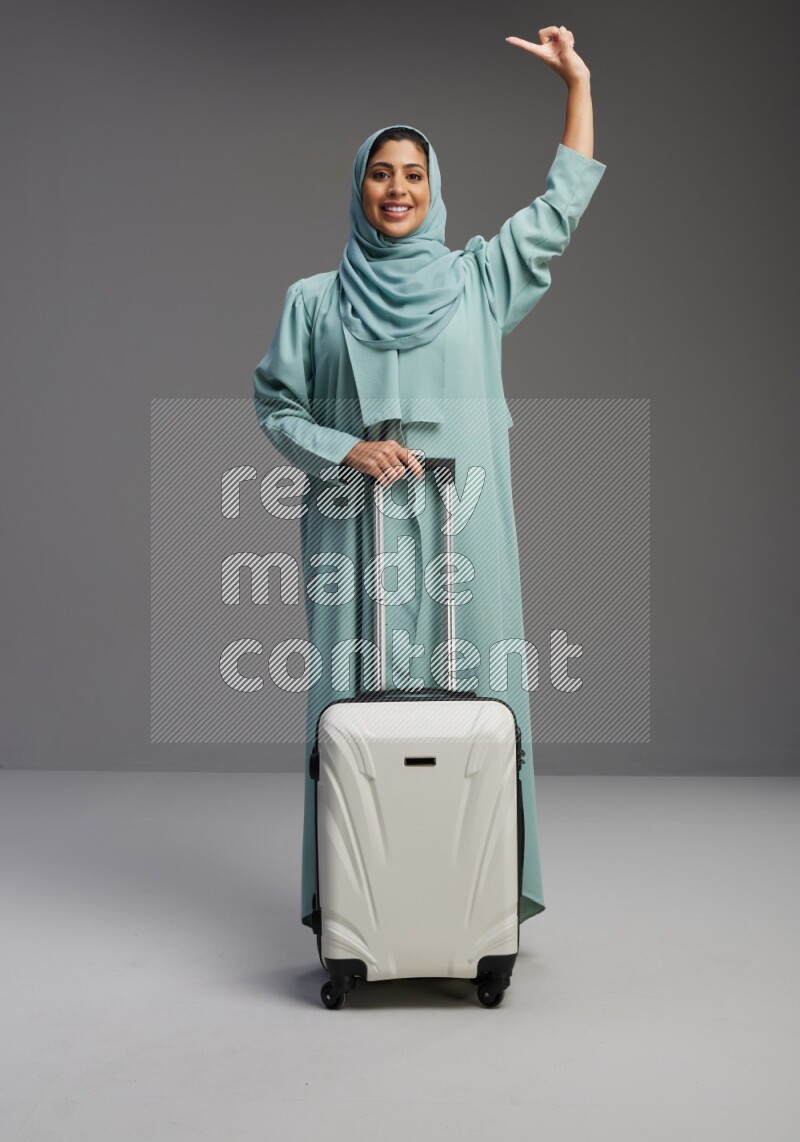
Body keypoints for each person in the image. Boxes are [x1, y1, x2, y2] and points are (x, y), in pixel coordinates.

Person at [253, 25, 606, 932]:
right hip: (352, 536)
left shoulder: (479, 280)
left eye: (413, 174)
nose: (398, 189)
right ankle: (359, 916)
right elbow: (276, 410)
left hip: (465, 536)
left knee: (481, 708)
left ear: (434, 187)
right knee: (350, 720)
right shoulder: (312, 301)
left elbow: (559, 210)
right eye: (381, 173)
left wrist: (577, 84)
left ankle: (476, 909)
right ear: (359, 188)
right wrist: (345, 449)